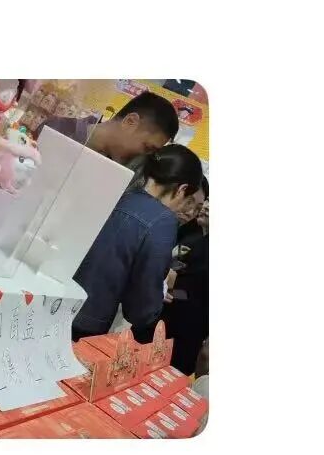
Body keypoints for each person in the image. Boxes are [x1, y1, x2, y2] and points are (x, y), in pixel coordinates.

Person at [72, 144, 203, 342]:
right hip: (86, 322)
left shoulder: (121, 193)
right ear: (181, 190)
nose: (184, 209)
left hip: (57, 300)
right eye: (188, 201)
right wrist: (159, 293)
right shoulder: (162, 220)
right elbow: (140, 310)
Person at [37, 91, 180, 169]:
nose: (143, 155)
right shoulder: (57, 128)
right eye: (147, 147)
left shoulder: (112, 170)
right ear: (130, 122)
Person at [163, 189, 209, 374]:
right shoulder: (191, 232)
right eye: (207, 201)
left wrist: (170, 291)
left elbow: (193, 294)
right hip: (164, 320)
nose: (207, 207)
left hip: (187, 331)